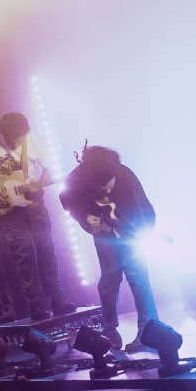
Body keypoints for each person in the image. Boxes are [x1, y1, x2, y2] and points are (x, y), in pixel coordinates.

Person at [0, 111, 75, 322]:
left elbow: (48, 169)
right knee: (24, 252)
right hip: (5, 206)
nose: (14, 144)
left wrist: (40, 183)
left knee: (46, 248)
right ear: (0, 132)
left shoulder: (33, 139)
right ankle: (35, 304)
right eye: (10, 140)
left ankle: (57, 299)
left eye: (18, 140)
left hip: (33, 202)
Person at [59, 145, 158, 352]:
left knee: (140, 281)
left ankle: (149, 332)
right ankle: (109, 330)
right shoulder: (78, 178)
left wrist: (145, 233)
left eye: (109, 186)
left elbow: (146, 209)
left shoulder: (126, 176)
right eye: (100, 189)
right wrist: (85, 217)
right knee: (108, 284)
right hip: (105, 238)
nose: (106, 192)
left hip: (132, 237)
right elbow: (67, 198)